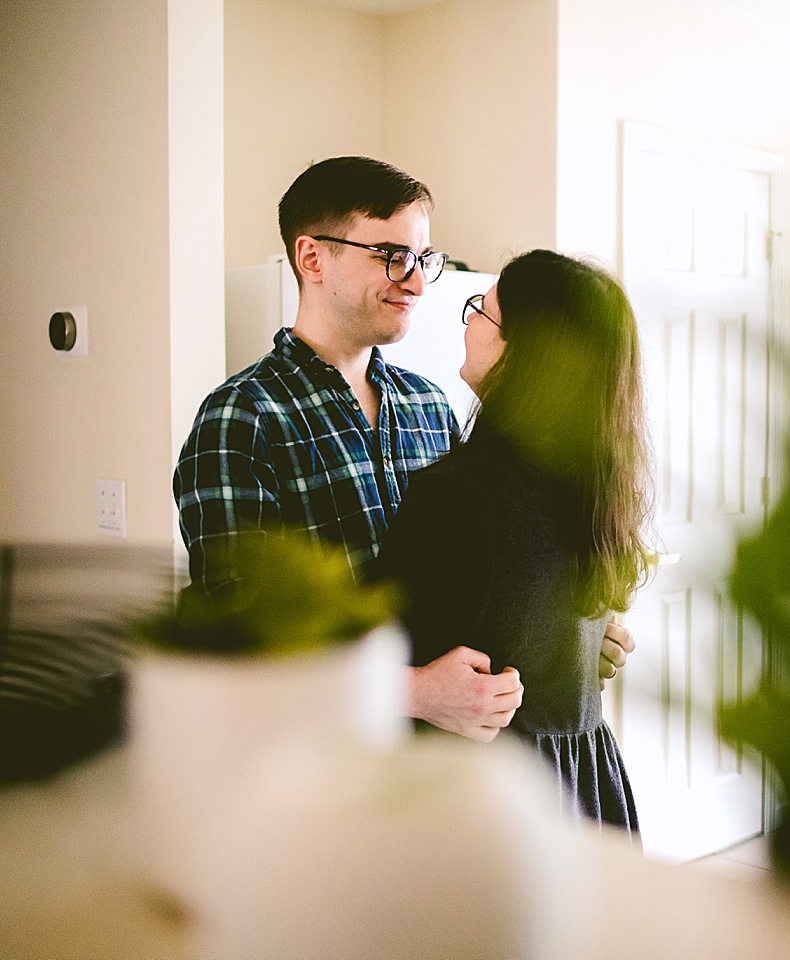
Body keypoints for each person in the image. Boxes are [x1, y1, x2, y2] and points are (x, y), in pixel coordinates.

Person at [174, 157, 633, 742]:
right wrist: (413, 691)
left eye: (422, 259)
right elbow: (242, 651)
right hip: (321, 773)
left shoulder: (430, 405)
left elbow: (475, 589)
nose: (415, 281)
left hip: (442, 777)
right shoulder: (242, 420)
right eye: (391, 256)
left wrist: (568, 639)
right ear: (312, 258)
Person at [371, 250, 653, 835]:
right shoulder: (596, 486)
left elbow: (363, 665)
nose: (469, 321)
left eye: (483, 311)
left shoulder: (459, 495)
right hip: (584, 782)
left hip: (489, 798)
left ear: (523, 355)